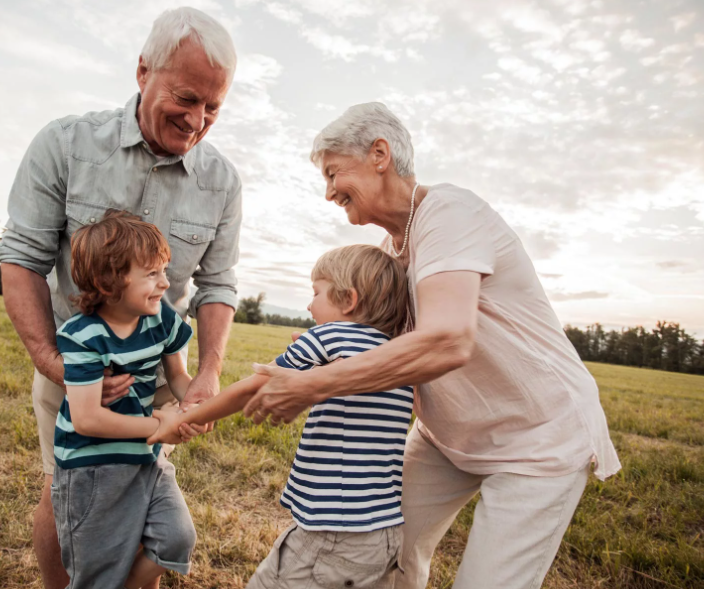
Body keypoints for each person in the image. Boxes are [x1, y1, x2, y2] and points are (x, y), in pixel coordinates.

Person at [242, 103, 622, 589]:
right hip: (447, 436)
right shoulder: (386, 253)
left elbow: (447, 340)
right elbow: (383, 343)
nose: (329, 191)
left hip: (538, 437)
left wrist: (311, 385)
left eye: (334, 173)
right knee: (381, 551)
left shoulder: (449, 212)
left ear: (380, 154)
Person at [0, 8, 241, 589]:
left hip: (154, 371)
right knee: (69, 496)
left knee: (145, 503)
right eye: (186, 97)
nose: (197, 119)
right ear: (142, 71)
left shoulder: (222, 182)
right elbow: (21, 258)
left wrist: (205, 375)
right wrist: (56, 363)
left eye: (213, 108)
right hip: (70, 365)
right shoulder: (66, 143)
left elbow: (219, 285)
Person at [152, 244, 414, 589]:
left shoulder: (329, 336)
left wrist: (188, 415)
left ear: (348, 300)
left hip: (332, 532)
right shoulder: (397, 356)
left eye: (316, 293)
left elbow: (251, 388)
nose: (309, 305)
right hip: (383, 532)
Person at [53, 210, 196, 588]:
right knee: (96, 574)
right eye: (152, 274)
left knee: (177, 538)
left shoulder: (159, 319)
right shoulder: (81, 336)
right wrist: (160, 425)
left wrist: (194, 405)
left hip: (145, 460)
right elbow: (87, 420)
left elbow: (178, 376)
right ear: (108, 280)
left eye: (164, 271)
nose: (165, 284)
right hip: (92, 471)